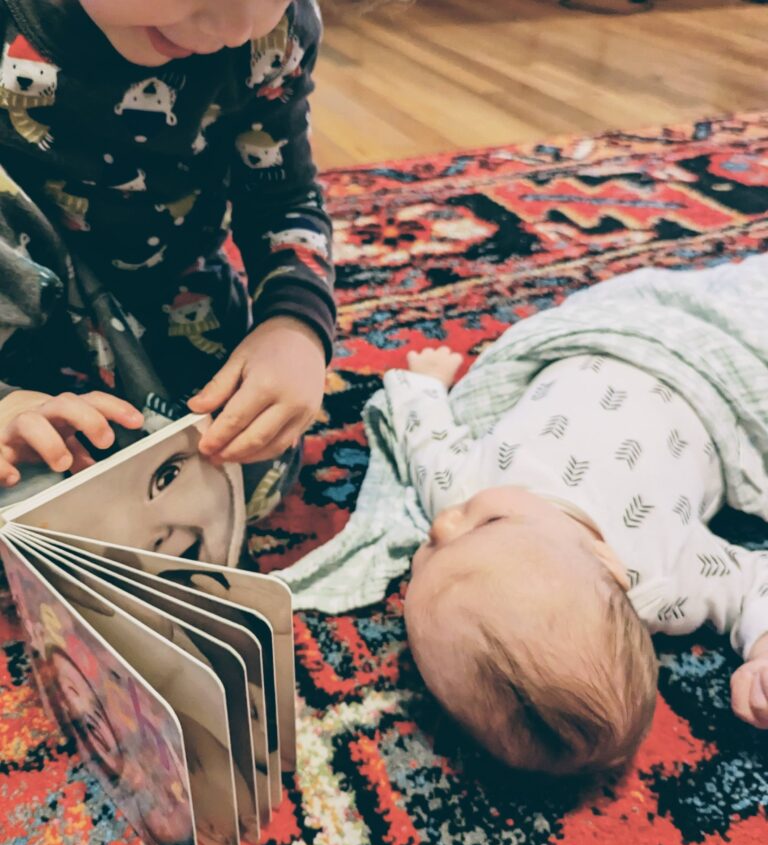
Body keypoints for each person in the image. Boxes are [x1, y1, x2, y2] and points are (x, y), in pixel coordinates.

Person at [0, 0, 336, 519]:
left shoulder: (275, 34)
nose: (235, 29)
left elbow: (283, 198)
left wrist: (295, 329)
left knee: (249, 473)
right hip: (17, 324)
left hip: (167, 300)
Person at [391, 346, 768, 777]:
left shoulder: (464, 490)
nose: (443, 524)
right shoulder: (663, 578)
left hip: (596, 343)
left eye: (425, 553)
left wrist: (425, 383)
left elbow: (427, 443)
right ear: (608, 563)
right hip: (703, 383)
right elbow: (753, 582)